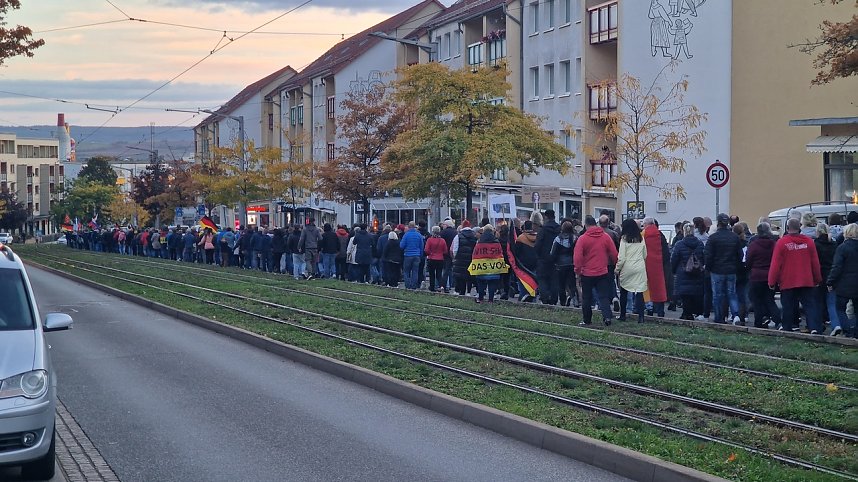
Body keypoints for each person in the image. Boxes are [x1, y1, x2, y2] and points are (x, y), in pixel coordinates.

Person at [769, 218, 823, 333]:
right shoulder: (809, 242)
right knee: (810, 306)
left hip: (788, 280)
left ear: (787, 228)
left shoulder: (782, 243)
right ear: (800, 227)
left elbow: (775, 264)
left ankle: (788, 328)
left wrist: (771, 281)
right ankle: (814, 327)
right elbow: (815, 263)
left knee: (788, 306)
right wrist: (817, 279)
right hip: (806, 279)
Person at [573, 215, 618, 326]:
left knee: (587, 298)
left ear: (586, 225)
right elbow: (614, 253)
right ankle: (607, 317)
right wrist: (615, 265)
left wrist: (577, 271)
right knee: (603, 296)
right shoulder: (605, 236)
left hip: (586, 273)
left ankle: (587, 320)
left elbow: (577, 257)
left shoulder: (582, 239)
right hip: (602, 271)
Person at [704, 213, 743, 324]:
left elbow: (708, 256)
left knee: (717, 295)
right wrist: (736, 267)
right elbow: (740, 255)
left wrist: (708, 269)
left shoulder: (713, 238)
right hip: (731, 270)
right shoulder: (734, 237)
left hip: (717, 270)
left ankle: (719, 317)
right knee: (732, 294)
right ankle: (736, 315)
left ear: (718, 223)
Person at [744, 223, 781, 329]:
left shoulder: (753, 245)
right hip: (770, 275)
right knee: (769, 300)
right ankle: (778, 320)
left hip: (756, 276)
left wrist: (750, 269)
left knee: (756, 301)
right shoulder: (774, 244)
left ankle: (758, 322)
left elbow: (748, 260)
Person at [828, 223, 858, 337]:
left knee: (840, 309)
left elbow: (837, 267)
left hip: (844, 283)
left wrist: (830, 281)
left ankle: (847, 330)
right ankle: (856, 332)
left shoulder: (842, 248)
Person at [616, 218, 647, 323]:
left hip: (627, 267)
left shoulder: (624, 239)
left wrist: (617, 269)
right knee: (639, 292)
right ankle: (641, 317)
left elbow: (622, 258)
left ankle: (623, 315)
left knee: (624, 291)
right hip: (639, 267)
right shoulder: (641, 238)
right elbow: (645, 254)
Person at [671, 223, 705, 321]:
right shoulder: (700, 244)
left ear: (684, 231)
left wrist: (674, 270)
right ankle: (696, 313)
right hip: (697, 272)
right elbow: (703, 258)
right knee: (695, 293)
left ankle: (687, 313)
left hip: (683, 272)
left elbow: (674, 259)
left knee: (685, 294)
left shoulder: (679, 244)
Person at [814, 223, 840, 335]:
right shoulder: (834, 244)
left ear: (817, 232)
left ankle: (818, 326)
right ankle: (836, 324)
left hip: (819, 276)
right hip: (831, 276)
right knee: (832, 303)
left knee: (817, 303)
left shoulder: (815, 244)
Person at [471, 224, 506, 303]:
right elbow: (500, 253)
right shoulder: (496, 241)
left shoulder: (479, 242)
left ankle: (480, 298)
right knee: (492, 282)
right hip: (493, 266)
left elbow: (475, 253)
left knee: (481, 282)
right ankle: (490, 299)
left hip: (481, 266)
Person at [642, 218, 668, 317]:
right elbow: (665, 251)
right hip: (659, 265)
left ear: (646, 224)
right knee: (660, 288)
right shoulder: (660, 234)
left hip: (647, 264)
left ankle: (650, 309)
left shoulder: (643, 234)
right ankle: (660, 311)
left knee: (647, 288)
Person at [535, 209, 561, 305]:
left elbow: (538, 244)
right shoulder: (559, 229)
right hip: (556, 259)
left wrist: (538, 255)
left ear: (545, 217)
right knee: (554, 280)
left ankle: (545, 298)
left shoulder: (543, 230)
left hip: (543, 259)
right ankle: (554, 299)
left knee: (542, 279)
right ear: (554, 216)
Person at [550, 221, 577, 307]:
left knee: (561, 284)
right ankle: (575, 299)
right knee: (572, 283)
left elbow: (552, 253)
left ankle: (563, 301)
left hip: (560, 265)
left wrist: (554, 262)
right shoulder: (575, 238)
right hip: (571, 263)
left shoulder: (558, 239)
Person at [514, 220, 539, 302]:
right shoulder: (538, 237)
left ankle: (523, 297)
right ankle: (533, 298)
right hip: (535, 263)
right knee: (534, 281)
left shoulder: (521, 238)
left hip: (523, 264)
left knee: (523, 282)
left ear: (524, 227)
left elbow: (516, 252)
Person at [451, 220, 477, 296]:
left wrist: (455, 257)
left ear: (462, 226)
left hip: (460, 259)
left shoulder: (458, 236)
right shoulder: (474, 236)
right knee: (469, 275)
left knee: (461, 276)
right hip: (471, 259)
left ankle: (462, 292)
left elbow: (455, 249)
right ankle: (468, 292)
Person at [400, 221, 425, 290]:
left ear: (408, 226)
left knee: (406, 271)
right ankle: (414, 286)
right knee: (415, 271)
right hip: (417, 255)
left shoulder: (406, 235)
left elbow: (401, 246)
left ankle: (408, 285)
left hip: (408, 255)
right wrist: (420, 255)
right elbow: (422, 246)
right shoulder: (419, 235)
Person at [424, 225, 449, 292]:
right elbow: (445, 251)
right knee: (439, 274)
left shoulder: (429, 240)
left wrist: (430, 253)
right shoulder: (442, 240)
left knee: (432, 274)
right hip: (440, 259)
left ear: (433, 232)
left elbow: (426, 250)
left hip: (431, 258)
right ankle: (440, 286)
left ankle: (432, 287)